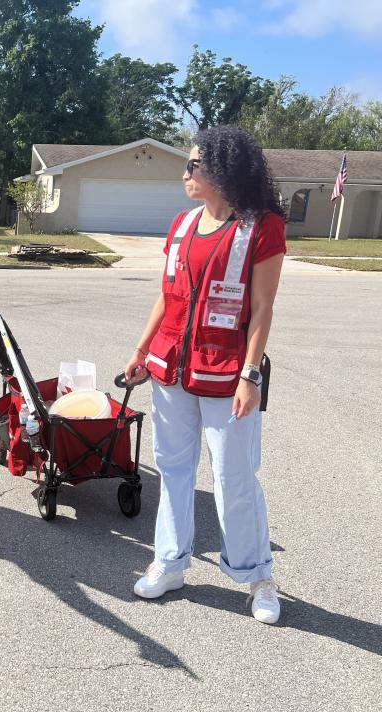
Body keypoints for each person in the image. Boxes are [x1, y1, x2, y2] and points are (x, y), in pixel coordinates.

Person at [123, 126, 287, 624]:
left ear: (220, 170)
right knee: (172, 469)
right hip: (171, 369)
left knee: (234, 476)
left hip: (226, 375)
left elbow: (262, 310)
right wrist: (140, 349)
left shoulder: (263, 227)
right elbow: (167, 296)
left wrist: (251, 375)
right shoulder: (181, 225)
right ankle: (170, 563)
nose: (186, 173)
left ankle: (258, 577)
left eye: (193, 165)